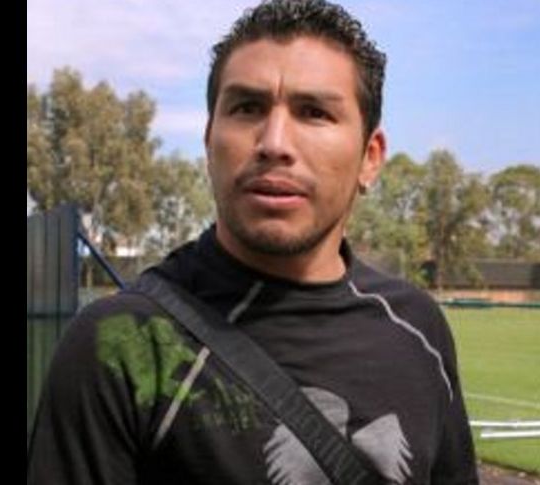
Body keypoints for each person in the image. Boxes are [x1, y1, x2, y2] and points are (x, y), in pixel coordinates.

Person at [26, 0, 479, 483]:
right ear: (209, 142)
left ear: (370, 157)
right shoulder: (122, 344)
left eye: (314, 112)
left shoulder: (418, 328)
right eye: (247, 108)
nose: (274, 142)